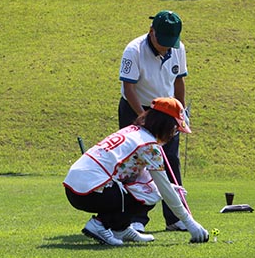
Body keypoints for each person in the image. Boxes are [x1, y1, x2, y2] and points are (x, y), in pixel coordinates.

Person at [63, 97, 209, 246]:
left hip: (74, 188)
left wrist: (168, 188)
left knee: (151, 189)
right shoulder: (149, 146)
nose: (174, 134)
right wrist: (189, 222)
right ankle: (99, 225)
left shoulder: (132, 131)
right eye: (175, 129)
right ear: (165, 125)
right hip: (91, 192)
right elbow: (163, 187)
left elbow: (144, 176)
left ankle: (121, 228)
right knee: (152, 193)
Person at [118, 10, 189, 233]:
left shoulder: (178, 48)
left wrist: (180, 111)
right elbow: (129, 88)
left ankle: (175, 218)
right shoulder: (134, 50)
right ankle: (136, 219)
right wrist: (143, 118)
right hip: (135, 107)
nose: (166, 47)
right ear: (152, 32)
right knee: (136, 165)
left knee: (170, 162)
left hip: (166, 110)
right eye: (163, 41)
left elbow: (179, 81)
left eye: (170, 42)